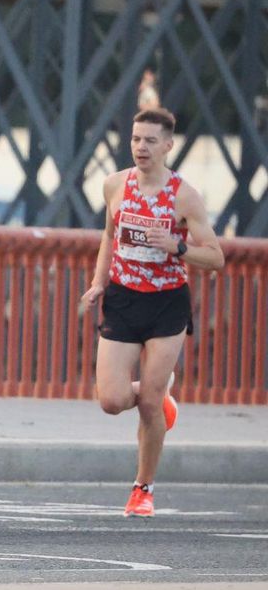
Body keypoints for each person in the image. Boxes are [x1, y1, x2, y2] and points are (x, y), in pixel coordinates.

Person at [79, 107, 223, 517]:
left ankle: (143, 488)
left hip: (166, 303)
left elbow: (215, 258)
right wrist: (98, 282)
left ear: (168, 146)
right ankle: (157, 392)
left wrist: (177, 247)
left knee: (148, 404)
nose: (141, 147)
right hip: (123, 299)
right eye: (136, 139)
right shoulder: (114, 184)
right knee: (111, 400)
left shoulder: (183, 196)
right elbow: (109, 236)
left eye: (150, 141)